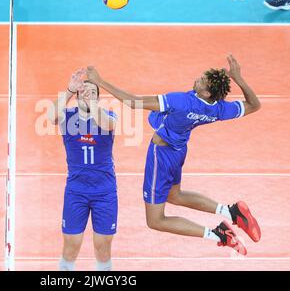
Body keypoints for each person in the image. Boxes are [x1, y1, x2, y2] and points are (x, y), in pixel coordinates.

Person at [86, 55, 262, 255]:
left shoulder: (181, 101)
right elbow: (254, 105)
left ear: (205, 92)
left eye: (201, 80)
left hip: (160, 155)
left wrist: (99, 81)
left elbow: (133, 103)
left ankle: (220, 235)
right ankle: (231, 212)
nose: (197, 79)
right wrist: (238, 79)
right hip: (178, 152)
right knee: (174, 195)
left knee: (155, 220)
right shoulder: (220, 108)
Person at [47, 69, 118, 271]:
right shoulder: (67, 117)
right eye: (84, 91)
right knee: (71, 247)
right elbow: (51, 115)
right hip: (76, 191)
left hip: (104, 192)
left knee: (103, 248)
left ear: (98, 98)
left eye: (93, 92)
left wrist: (92, 103)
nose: (87, 94)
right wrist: (69, 89)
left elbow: (106, 124)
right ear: (77, 96)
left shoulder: (108, 116)